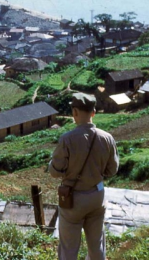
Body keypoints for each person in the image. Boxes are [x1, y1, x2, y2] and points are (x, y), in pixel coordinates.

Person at [49, 93, 119, 260]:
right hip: (97, 196)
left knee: (69, 249)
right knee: (96, 245)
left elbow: (54, 171)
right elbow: (112, 170)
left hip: (73, 199)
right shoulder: (107, 138)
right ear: (93, 112)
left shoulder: (67, 139)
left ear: (74, 112)